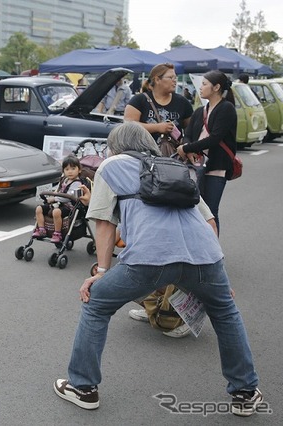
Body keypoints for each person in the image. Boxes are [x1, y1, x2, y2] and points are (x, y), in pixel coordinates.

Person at [53, 122, 263, 416]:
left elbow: (103, 222)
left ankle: (83, 388)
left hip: (150, 258)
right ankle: (245, 393)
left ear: (115, 146)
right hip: (205, 256)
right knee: (225, 311)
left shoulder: (111, 165)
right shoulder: (174, 165)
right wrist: (218, 274)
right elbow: (209, 221)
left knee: (97, 303)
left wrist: (101, 271)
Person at [177, 70, 237, 233]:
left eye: (204, 84)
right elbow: (187, 134)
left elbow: (215, 138)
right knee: (194, 209)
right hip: (196, 165)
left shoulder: (227, 109)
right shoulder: (199, 111)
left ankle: (213, 254)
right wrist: (187, 148)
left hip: (216, 166)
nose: (200, 88)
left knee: (210, 211)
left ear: (216, 87)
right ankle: (198, 250)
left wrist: (186, 148)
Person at [124, 63, 192, 143]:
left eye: (175, 77)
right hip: (143, 152)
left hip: (172, 153)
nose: (175, 80)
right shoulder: (139, 100)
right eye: (170, 77)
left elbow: (191, 130)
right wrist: (157, 127)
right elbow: (128, 125)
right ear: (157, 80)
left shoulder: (182, 102)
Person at [32, 155, 91, 243]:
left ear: (79, 170)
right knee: (39, 209)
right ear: (63, 171)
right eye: (67, 169)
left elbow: (69, 197)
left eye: (73, 169)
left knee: (56, 212)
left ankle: (57, 233)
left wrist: (54, 198)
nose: (70, 172)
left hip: (70, 207)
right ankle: (41, 229)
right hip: (58, 204)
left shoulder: (77, 184)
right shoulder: (64, 180)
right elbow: (58, 190)